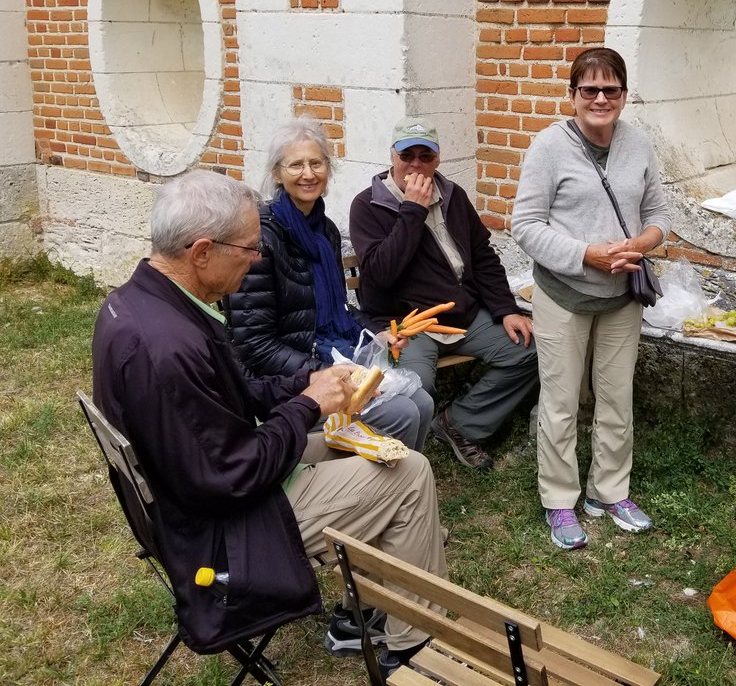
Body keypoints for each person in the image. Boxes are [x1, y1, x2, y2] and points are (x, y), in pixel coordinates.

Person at [92, 170, 446, 676]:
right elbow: (229, 475)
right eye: (249, 249)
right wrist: (306, 408)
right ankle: (412, 651)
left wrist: (309, 383)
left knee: (372, 447)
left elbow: (235, 398)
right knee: (407, 477)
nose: (257, 259)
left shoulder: (142, 303)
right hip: (223, 531)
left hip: (200, 496)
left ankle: (358, 618)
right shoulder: (167, 348)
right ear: (201, 252)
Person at [511, 47, 671, 550]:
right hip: (564, 293)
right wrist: (588, 255)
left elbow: (658, 213)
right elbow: (525, 225)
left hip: (622, 296)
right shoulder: (548, 147)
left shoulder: (638, 144)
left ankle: (609, 492)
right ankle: (560, 501)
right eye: (590, 90)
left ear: (624, 95)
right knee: (561, 403)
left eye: (611, 90)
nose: (600, 99)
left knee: (616, 398)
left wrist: (641, 245)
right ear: (573, 95)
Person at [226, 119, 434, 450]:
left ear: (328, 170)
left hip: (334, 352)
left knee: (422, 402)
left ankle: (392, 481)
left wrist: (376, 332)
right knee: (402, 413)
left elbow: (339, 309)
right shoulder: (262, 239)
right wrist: (322, 373)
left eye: (316, 163)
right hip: (286, 378)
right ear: (278, 174)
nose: (308, 174)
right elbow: (256, 345)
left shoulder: (326, 231)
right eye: (296, 165)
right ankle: (372, 490)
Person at [349, 117, 537, 472]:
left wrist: (506, 308)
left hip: (464, 315)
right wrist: (413, 210)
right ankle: (396, 469)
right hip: (408, 324)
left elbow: (483, 257)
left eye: (425, 156)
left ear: (437, 160)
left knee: (531, 350)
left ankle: (459, 424)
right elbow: (382, 274)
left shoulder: (452, 195)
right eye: (408, 156)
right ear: (392, 156)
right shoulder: (368, 206)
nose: (416, 165)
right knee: (415, 390)